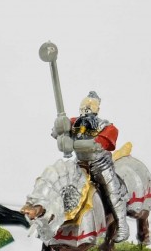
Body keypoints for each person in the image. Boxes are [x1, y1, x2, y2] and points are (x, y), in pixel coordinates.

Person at [53, 91, 129, 241]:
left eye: (88, 108)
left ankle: (122, 226)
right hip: (79, 165)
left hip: (101, 166)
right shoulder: (73, 122)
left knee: (112, 192)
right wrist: (60, 127)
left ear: (97, 110)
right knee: (64, 188)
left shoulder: (106, 127)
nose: (85, 111)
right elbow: (56, 133)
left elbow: (96, 145)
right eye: (83, 108)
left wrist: (71, 144)